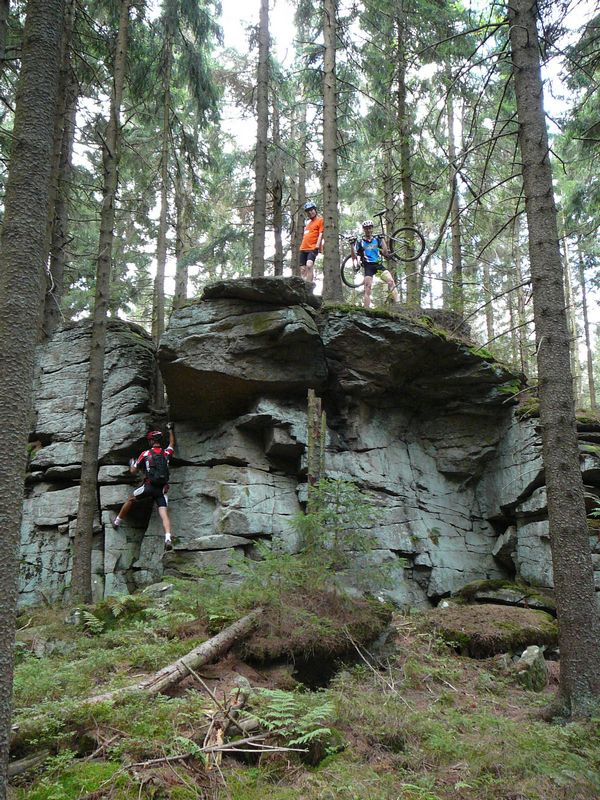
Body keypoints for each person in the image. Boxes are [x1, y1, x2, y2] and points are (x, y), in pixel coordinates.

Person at [111, 424, 176, 551]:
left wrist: (132, 464)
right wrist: (170, 430)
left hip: (148, 487)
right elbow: (172, 444)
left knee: (131, 499)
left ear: (151, 441)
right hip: (162, 490)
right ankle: (168, 538)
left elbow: (134, 471)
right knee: (164, 514)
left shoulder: (145, 453)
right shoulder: (166, 453)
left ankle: (117, 522)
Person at [351, 219, 400, 309]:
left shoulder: (377, 240)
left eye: (370, 228)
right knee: (368, 287)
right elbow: (354, 257)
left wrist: (383, 240)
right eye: (366, 229)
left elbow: (385, 253)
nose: (368, 230)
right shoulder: (360, 242)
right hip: (368, 266)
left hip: (378, 265)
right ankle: (366, 309)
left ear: (372, 229)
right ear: (364, 229)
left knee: (391, 281)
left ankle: (398, 304)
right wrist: (351, 245)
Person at [298, 201, 324, 284]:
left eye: (311, 210)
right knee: (302, 269)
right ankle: (303, 286)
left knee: (309, 265)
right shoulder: (308, 224)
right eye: (308, 211)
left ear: (315, 210)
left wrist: (317, 246)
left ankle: (309, 286)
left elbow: (321, 234)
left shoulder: (320, 220)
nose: (310, 212)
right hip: (303, 248)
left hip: (312, 248)